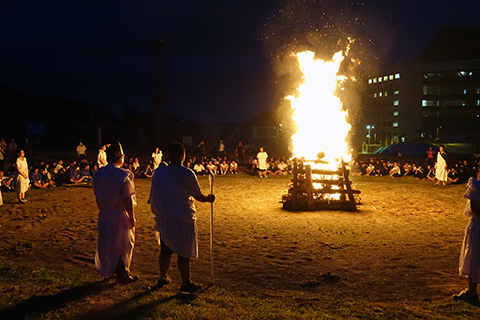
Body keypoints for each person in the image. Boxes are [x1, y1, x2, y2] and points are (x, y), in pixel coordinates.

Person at [148, 142, 215, 293]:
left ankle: (163, 276)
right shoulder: (186, 173)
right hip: (182, 216)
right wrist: (209, 198)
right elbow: (197, 196)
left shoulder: (160, 172)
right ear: (182, 156)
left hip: (166, 217)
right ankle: (185, 282)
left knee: (165, 249)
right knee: (183, 252)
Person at [93, 141, 138, 284]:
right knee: (122, 242)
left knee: (108, 242)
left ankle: (110, 270)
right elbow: (127, 198)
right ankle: (121, 272)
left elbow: (97, 196)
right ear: (120, 157)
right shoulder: (122, 174)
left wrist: (104, 209)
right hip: (118, 212)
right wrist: (131, 217)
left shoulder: (100, 173)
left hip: (105, 212)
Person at [454, 167, 480, 303]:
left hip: (478, 226)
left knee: (473, 256)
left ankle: (472, 292)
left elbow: (475, 209)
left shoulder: (475, 186)